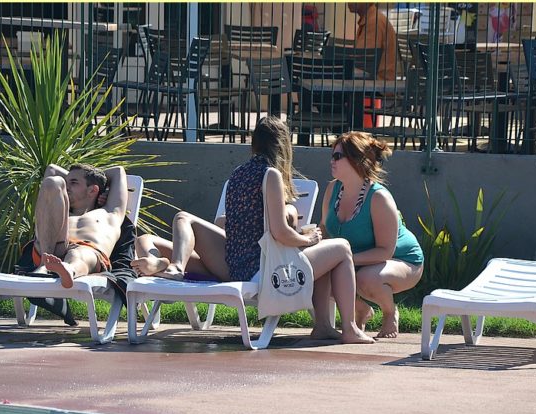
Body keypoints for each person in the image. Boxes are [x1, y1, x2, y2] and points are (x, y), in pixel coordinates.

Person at [134, 116, 374, 344]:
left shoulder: (238, 174)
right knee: (342, 248)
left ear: (255, 143)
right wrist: (307, 239)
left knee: (327, 254)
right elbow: (279, 233)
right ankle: (350, 328)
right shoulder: (271, 174)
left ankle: (323, 326)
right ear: (283, 145)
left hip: (235, 268)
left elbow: (238, 226)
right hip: (266, 272)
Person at [320, 132, 424, 338]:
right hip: (358, 259)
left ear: (356, 160)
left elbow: (385, 251)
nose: (332, 160)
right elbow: (324, 228)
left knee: (365, 279)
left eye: (338, 156)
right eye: (332, 155)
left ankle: (390, 312)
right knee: (319, 274)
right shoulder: (333, 189)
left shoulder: (378, 198)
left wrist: (345, 259)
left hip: (401, 260)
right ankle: (362, 310)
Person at [32, 163, 128, 288]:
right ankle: (45, 264)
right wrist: (76, 178)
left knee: (78, 254)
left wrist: (101, 184)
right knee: (51, 182)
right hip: (52, 247)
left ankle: (69, 270)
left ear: (92, 190)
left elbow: (118, 171)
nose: (66, 187)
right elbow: (52, 169)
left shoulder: (110, 212)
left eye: (73, 182)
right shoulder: (59, 213)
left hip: (87, 251)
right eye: (66, 182)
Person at [348, 2, 398, 80]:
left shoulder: (374, 22)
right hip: (375, 81)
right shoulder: (371, 19)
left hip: (379, 83)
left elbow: (361, 61)